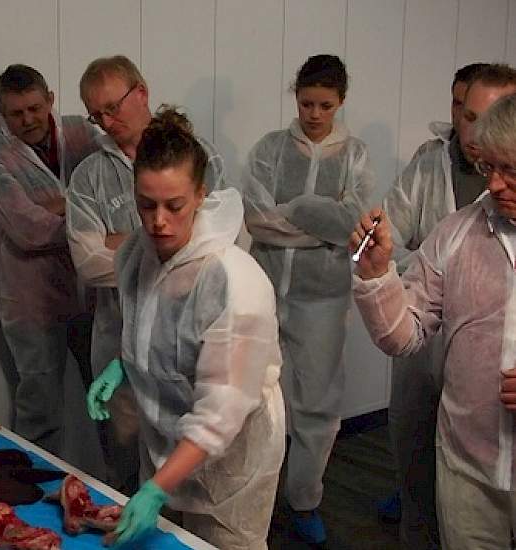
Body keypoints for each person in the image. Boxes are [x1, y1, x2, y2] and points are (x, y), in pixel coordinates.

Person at [87, 107, 284, 549]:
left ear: (200, 194)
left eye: (174, 206)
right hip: (162, 446)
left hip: (229, 468)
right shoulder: (135, 254)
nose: (159, 221)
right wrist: (123, 364)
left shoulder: (233, 281)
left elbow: (220, 415)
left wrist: (156, 488)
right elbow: (152, 328)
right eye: (146, 204)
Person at [350, 92, 516, 550]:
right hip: (469, 471)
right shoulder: (457, 234)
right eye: (490, 168)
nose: (496, 186)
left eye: (511, 171)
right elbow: (404, 337)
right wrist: (377, 273)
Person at [67, 55, 226, 494]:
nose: (106, 122)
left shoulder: (198, 156)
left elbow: (218, 249)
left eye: (112, 108)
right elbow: (86, 260)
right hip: (118, 341)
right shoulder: (89, 177)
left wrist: (125, 241)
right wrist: (165, 245)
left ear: (141, 93)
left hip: (188, 343)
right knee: (125, 469)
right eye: (95, 115)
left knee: (193, 471)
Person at [239, 54, 374, 544]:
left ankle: (305, 500)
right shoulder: (270, 150)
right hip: (266, 289)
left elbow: (353, 226)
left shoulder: (355, 156)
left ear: (341, 102)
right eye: (305, 103)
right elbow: (256, 219)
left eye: (324, 105)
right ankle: (252, 493)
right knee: (254, 396)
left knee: (317, 405)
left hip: (323, 297)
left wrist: (294, 215)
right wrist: (320, 226)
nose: (314, 114)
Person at [0, 64, 100, 455]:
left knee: (112, 402)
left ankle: (119, 495)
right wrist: (90, 216)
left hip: (93, 295)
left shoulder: (84, 133)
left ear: (50, 99)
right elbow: (26, 229)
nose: (28, 119)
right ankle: (33, 500)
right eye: (16, 113)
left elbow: (124, 190)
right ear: (2, 113)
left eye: (34, 107)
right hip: (32, 304)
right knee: (39, 414)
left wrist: (60, 206)